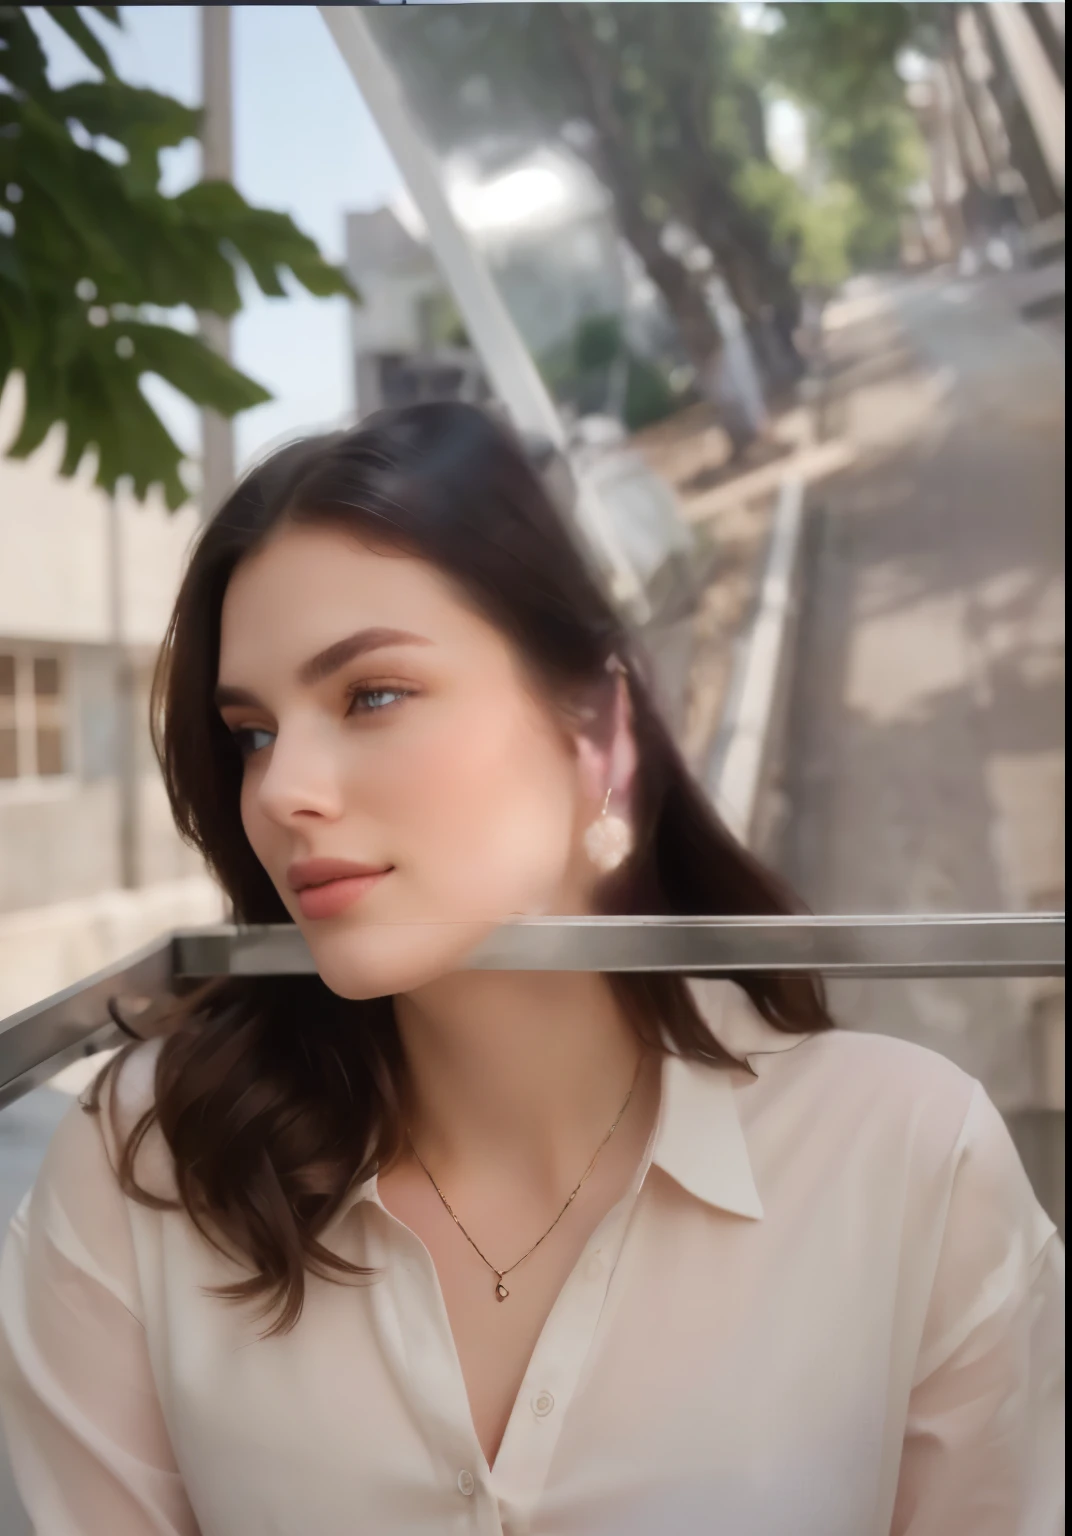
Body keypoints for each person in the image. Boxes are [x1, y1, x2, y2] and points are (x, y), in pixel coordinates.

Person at [0, 402, 1062, 1535]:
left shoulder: (906, 1165)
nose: (280, 789)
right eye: (253, 731)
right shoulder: (145, 1174)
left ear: (596, 734)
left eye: (371, 694)